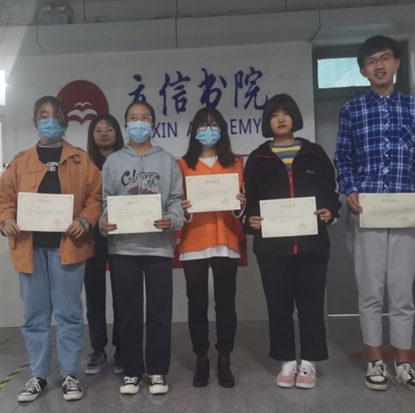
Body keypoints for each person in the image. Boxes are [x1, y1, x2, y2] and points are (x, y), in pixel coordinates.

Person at [334, 35, 415, 395]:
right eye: (371, 61)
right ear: (363, 71)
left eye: (385, 58)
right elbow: (343, 158)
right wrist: (349, 189)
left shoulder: (414, 106)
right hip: (366, 210)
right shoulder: (352, 110)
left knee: (402, 290)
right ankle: (376, 360)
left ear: (396, 63)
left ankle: (404, 364)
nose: (379, 65)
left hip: (406, 209)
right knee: (370, 291)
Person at [0, 96, 102, 402]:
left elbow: (96, 197)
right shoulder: (20, 162)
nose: (50, 121)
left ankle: (70, 375)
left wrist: (85, 220)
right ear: (35, 121)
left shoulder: (81, 160)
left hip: (68, 248)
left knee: (69, 314)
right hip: (29, 249)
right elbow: (4, 199)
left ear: (65, 120)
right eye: (43, 115)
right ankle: (39, 375)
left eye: (56, 115)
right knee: (34, 316)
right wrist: (6, 221)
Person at [242, 94, 341, 389]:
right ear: (267, 121)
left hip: (312, 246)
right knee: (278, 306)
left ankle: (309, 361)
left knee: (311, 306)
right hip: (273, 249)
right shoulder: (258, 158)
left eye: (286, 113)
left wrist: (330, 210)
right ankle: (286, 360)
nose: (281, 118)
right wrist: (250, 220)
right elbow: (249, 201)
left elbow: (330, 190)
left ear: (294, 117)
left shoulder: (314, 153)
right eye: (274, 114)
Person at [100, 101, 183, 396]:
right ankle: (132, 372)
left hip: (158, 247)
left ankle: (158, 370)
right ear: (126, 125)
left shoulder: (167, 161)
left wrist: (172, 219)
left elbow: (175, 200)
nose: (138, 122)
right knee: (129, 313)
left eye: (144, 117)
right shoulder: (113, 162)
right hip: (123, 248)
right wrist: (104, 223)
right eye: (133, 118)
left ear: (153, 125)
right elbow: (106, 202)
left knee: (159, 311)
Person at [178, 107, 245, 388]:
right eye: (203, 125)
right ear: (194, 130)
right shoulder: (183, 165)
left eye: (214, 124)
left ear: (222, 129)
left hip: (225, 241)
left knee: (226, 304)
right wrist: (184, 209)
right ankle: (202, 358)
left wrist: (241, 205)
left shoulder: (235, 163)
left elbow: (240, 206)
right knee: (197, 304)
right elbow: (177, 205)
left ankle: (224, 358)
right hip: (193, 241)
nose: (209, 130)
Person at [84, 114, 124, 375]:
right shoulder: (84, 163)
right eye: (98, 130)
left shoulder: (127, 160)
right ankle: (98, 348)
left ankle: (122, 347)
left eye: (109, 128)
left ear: (117, 132)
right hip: (91, 236)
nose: (104, 133)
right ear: (92, 135)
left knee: (122, 294)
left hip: (121, 233)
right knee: (94, 294)